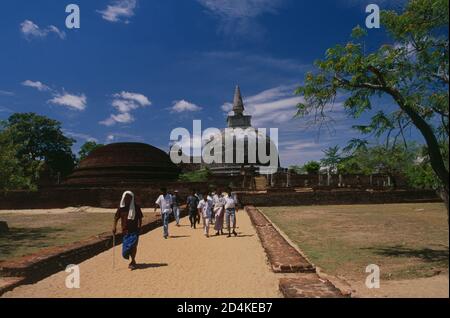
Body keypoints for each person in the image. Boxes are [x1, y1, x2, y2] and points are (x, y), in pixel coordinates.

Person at [112, 191, 143, 270]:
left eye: (129, 198)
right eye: (126, 198)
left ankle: (132, 261)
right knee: (126, 250)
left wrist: (140, 227)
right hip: (125, 231)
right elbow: (116, 217)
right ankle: (131, 259)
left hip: (134, 231)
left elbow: (140, 218)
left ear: (132, 198)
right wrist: (114, 227)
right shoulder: (121, 208)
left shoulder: (136, 207)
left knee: (133, 246)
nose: (127, 199)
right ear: (123, 198)